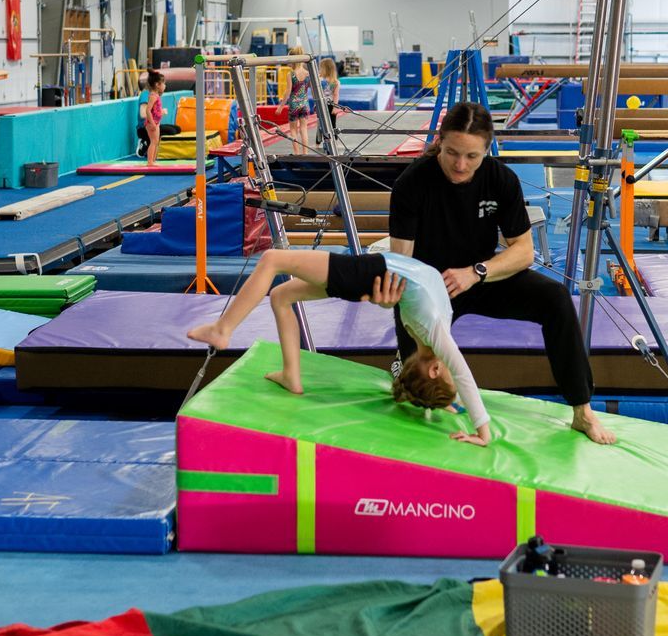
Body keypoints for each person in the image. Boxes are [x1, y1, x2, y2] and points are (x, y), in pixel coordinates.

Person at [389, 101, 616, 445]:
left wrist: (477, 272)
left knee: (554, 298)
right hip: (430, 289)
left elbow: (523, 252)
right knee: (417, 392)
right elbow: (402, 262)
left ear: (487, 149)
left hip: (481, 276)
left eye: (472, 157)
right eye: (452, 153)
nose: (460, 165)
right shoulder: (412, 183)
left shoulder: (500, 179)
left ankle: (582, 412)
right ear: (440, 141)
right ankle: (411, 377)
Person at [184, 249, 493, 445]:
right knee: (281, 296)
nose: (455, 366)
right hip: (373, 273)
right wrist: (448, 403)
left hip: (369, 270)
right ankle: (292, 375)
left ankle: (222, 329)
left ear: (438, 369)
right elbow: (453, 385)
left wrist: (483, 432)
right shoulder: (426, 337)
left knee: (271, 259)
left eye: (446, 374)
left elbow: (463, 376)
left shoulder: (435, 333)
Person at [139, 70, 166, 166]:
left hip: (155, 122)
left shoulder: (156, 95)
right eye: (164, 83)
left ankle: (153, 161)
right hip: (151, 123)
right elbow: (147, 110)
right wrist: (152, 123)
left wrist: (161, 112)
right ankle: (150, 161)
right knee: (153, 141)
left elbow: (155, 110)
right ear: (157, 84)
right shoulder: (153, 96)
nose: (165, 86)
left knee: (156, 141)